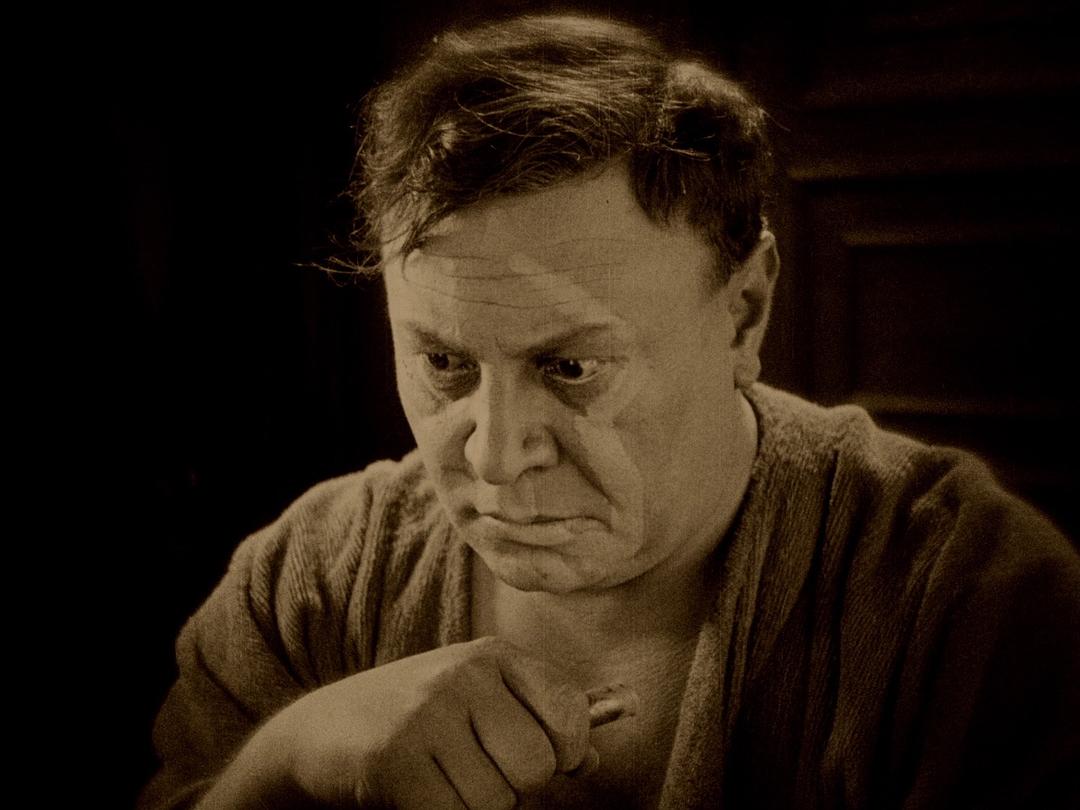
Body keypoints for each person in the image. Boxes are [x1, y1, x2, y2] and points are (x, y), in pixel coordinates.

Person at [139, 13, 1080, 810]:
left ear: (744, 311)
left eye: (572, 366)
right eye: (444, 362)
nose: (495, 457)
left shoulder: (970, 602)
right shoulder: (307, 581)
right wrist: (288, 761)